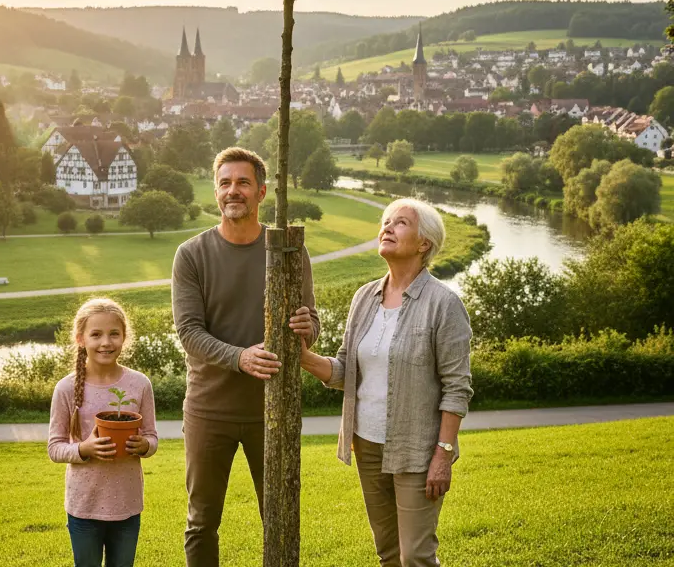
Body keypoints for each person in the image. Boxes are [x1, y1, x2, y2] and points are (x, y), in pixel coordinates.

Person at [297, 198, 474, 567]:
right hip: (367, 445)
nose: (387, 228)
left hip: (417, 450)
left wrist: (442, 454)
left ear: (424, 243)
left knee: (416, 557)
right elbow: (347, 370)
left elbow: (457, 388)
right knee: (388, 554)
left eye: (401, 223)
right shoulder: (364, 297)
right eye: (385, 221)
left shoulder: (444, 304)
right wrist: (304, 357)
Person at [172, 147, 320, 567]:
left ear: (261, 192)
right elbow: (189, 332)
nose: (232, 191)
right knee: (201, 523)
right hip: (208, 410)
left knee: (278, 518)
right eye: (224, 183)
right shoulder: (191, 255)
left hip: (273, 411)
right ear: (215, 192)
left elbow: (312, 320)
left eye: (242, 183)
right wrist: (240, 358)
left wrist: (309, 327)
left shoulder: (290, 250)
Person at [48, 298, 159, 567]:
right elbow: (54, 448)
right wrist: (83, 450)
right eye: (96, 334)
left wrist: (143, 445)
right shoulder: (66, 388)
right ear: (80, 339)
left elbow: (153, 437)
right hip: (84, 507)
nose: (105, 342)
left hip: (127, 506)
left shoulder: (139, 384)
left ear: (124, 338)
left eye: (114, 334)